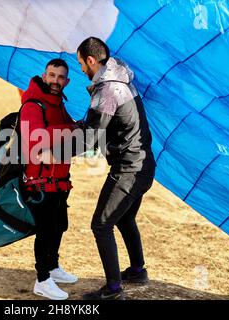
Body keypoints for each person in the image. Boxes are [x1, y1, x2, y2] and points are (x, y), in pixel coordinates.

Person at [75, 37, 156, 300]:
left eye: (80, 64)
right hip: (143, 166)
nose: (81, 70)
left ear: (90, 60)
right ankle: (137, 270)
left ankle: (113, 289)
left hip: (129, 169)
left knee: (101, 224)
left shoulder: (107, 89)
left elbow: (90, 139)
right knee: (124, 217)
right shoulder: (121, 78)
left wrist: (54, 153)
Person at [19, 59, 78, 300]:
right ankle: (42, 280)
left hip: (60, 180)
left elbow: (68, 139)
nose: (55, 81)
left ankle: (53, 267)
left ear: (67, 81)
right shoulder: (33, 105)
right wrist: (71, 128)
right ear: (44, 76)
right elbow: (35, 140)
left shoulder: (59, 104)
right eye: (52, 75)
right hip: (40, 182)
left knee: (58, 227)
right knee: (45, 231)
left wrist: (74, 130)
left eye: (60, 77)